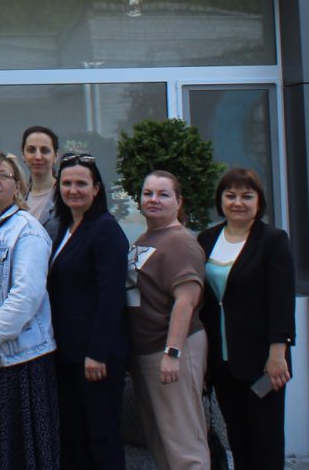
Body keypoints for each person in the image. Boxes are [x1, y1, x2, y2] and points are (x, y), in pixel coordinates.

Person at [0, 154, 59, 470]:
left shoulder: (26, 230)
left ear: (17, 186)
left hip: (13, 355)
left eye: (4, 175)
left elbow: (27, 293)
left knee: (13, 442)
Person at [197, 168, 295, 470]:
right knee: (238, 437)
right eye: (231, 196)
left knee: (265, 439)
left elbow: (282, 302)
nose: (238, 202)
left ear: (259, 201)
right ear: (220, 201)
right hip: (222, 363)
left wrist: (278, 355)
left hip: (263, 364)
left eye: (246, 196)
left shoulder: (273, 240)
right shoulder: (207, 239)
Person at [46, 153, 130, 470]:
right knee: (75, 437)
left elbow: (111, 297)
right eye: (67, 183)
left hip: (96, 357)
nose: (73, 190)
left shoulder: (106, 229)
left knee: (101, 437)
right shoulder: (66, 228)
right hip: (67, 353)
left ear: (96, 188)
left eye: (81, 183)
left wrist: (97, 353)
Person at [128, 170, 210, 470]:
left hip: (172, 350)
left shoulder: (180, 242)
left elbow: (186, 301)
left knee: (184, 443)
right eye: (148, 193)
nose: (154, 200)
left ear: (178, 201)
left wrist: (172, 353)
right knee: (162, 441)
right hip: (146, 351)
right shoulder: (146, 238)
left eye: (163, 194)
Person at [21, 126, 62, 241]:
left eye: (45, 150)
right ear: (23, 155)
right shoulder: (16, 198)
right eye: (31, 150)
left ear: (56, 155)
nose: (38, 156)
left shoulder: (66, 195)